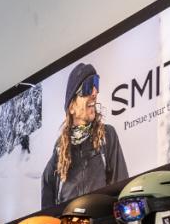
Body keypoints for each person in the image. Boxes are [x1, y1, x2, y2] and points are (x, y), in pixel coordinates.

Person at [41, 62, 127, 207]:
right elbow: (48, 209)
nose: (94, 92)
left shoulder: (107, 136)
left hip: (101, 219)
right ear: (71, 107)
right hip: (72, 221)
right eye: (87, 87)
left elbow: (122, 189)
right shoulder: (59, 151)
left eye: (96, 83)